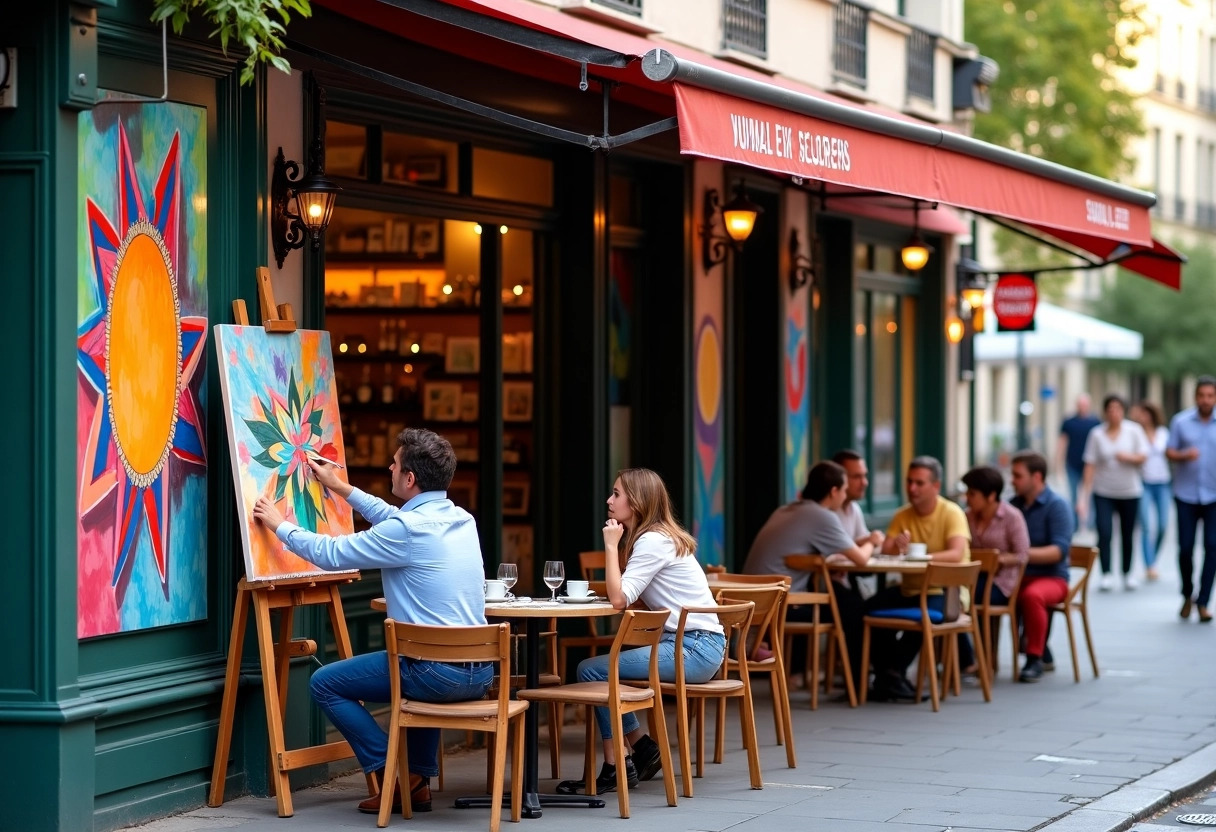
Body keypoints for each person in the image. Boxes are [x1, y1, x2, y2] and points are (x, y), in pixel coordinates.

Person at [251, 428, 488, 816]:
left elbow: (332, 553)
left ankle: (392, 770)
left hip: (435, 673)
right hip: (479, 673)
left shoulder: (407, 530)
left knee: (325, 683)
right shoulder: (461, 519)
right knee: (417, 665)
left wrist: (279, 525)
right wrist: (342, 489)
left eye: (394, 465)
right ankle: (416, 783)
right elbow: (395, 519)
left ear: (409, 479)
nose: (389, 468)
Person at [558, 468, 727, 795]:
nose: (609, 500)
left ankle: (615, 765)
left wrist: (610, 545)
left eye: (617, 494)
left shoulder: (652, 541)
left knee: (592, 669)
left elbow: (619, 598)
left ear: (636, 502)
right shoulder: (658, 537)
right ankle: (643, 748)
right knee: (598, 668)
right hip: (697, 644)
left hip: (693, 648)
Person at [743, 460, 875, 683]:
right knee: (853, 609)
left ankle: (798, 675)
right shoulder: (822, 516)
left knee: (838, 601)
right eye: (843, 490)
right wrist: (874, 540)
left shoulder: (786, 509)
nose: (845, 496)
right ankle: (859, 683)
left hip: (753, 603)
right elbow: (861, 559)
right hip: (778, 605)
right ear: (834, 491)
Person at [865, 456, 970, 701]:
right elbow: (886, 551)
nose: (912, 488)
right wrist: (897, 547)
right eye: (909, 482)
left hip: (946, 592)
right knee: (865, 610)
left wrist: (919, 558)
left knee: (924, 615)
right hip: (909, 590)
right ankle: (887, 676)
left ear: (936, 486)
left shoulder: (952, 513)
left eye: (919, 483)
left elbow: (956, 554)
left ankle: (892, 674)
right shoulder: (903, 515)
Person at [956, 465, 1030, 677]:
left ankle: (979, 660)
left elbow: (1023, 554)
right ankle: (967, 659)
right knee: (949, 596)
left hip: (1002, 583)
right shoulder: (966, 516)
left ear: (991, 496)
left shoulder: (1012, 516)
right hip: (973, 579)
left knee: (964, 598)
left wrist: (998, 559)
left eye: (972, 494)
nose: (967, 498)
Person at [1008, 451, 1073, 682]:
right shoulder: (1012, 506)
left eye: (1017, 476)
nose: (1012, 481)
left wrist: (1018, 556)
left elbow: (1058, 551)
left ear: (1036, 477)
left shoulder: (1057, 505)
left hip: (1052, 578)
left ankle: (1034, 658)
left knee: (1032, 595)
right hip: (1016, 577)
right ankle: (976, 659)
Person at [1078, 394, 1150, 591]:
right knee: (1104, 531)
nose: (1114, 413)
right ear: (1105, 412)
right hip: (1103, 491)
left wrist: (1128, 457)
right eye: (1110, 409)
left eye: (1118, 409)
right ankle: (1106, 573)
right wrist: (1083, 497)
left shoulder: (1133, 431)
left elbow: (1144, 456)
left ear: (1123, 411)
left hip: (1129, 491)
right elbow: (1090, 465)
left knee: (1128, 533)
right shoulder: (1097, 434)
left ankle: (1127, 573)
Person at [1166, 376, 1216, 622]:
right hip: (1186, 494)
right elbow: (1169, 451)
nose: (1206, 400)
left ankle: (1204, 601)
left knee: (1213, 547)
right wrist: (1184, 455)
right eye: (1202, 395)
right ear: (1195, 396)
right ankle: (1187, 594)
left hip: (1214, 495)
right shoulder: (1181, 422)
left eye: (1210, 395)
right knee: (1185, 548)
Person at [1131, 400, 1171, 582]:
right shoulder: (1135, 433)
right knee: (1146, 526)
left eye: (1147, 414)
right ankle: (1150, 565)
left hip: (1162, 483)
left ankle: (1152, 557)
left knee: (1163, 525)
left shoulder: (1163, 432)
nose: (1144, 417)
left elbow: (1163, 450)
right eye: (1142, 414)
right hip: (1144, 483)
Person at [1058, 393, 1101, 530]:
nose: (1082, 407)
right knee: (1073, 494)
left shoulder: (1095, 422)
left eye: (1085, 404)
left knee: (1092, 493)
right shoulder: (1069, 422)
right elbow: (1062, 442)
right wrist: (1058, 462)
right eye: (1080, 404)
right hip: (1072, 463)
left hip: (1091, 464)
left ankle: (1092, 522)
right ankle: (1075, 523)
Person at [830, 449, 886, 549]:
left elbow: (867, 543)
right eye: (856, 477)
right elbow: (835, 551)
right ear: (839, 478)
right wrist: (870, 541)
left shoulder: (853, 507)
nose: (864, 482)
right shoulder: (826, 510)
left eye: (864, 476)